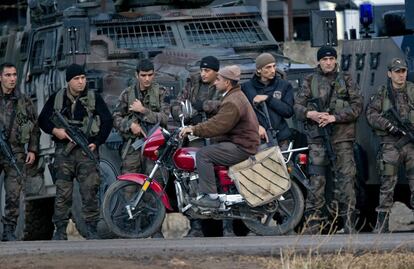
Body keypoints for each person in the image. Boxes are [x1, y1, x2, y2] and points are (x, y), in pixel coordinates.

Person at [38, 63, 112, 240]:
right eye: (76, 79)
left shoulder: (93, 97)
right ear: (69, 81)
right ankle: (61, 230)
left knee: (90, 191)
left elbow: (107, 120)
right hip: (64, 153)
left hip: (87, 152)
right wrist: (56, 131)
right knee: (63, 193)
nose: (81, 82)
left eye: (83, 78)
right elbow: (42, 119)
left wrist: (97, 142)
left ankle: (91, 228)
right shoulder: (57, 98)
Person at [294, 46, 363, 234]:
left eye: (332, 59)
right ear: (319, 61)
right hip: (317, 139)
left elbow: (358, 107)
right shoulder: (310, 80)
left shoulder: (346, 79)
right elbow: (297, 107)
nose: (329, 62)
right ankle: (315, 223)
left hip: (342, 139)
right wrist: (311, 114)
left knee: (346, 181)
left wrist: (334, 117)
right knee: (317, 181)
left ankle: (348, 222)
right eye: (324, 59)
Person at [179, 65, 260, 208]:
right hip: (240, 142)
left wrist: (193, 129)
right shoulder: (233, 96)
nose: (215, 82)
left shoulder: (232, 102)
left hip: (242, 146)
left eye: (218, 79)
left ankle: (212, 197)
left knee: (203, 155)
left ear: (227, 82)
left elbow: (217, 125)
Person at [171, 56, 228, 237]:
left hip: (218, 137)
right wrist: (184, 113)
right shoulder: (192, 83)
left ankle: (228, 227)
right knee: (191, 181)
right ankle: (196, 227)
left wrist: (201, 106)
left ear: (216, 72)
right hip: (196, 137)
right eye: (202, 70)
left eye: (207, 71)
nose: (203, 74)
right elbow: (176, 105)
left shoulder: (222, 83)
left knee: (222, 183)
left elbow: (225, 105)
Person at [366, 58, 414, 233]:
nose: (401, 75)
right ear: (389, 74)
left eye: (403, 71)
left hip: (411, 145)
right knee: (387, 184)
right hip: (390, 144)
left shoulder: (412, 90)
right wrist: (388, 126)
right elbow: (371, 114)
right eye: (397, 72)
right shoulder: (383, 93)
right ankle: (382, 224)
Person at [0, 62, 40, 241]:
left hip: (15, 151)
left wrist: (32, 149)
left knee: (14, 193)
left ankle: (9, 230)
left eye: (14, 75)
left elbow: (35, 127)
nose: (12, 79)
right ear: (0, 77)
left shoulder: (24, 101)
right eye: (7, 75)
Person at [113, 59, 169, 175]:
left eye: (150, 75)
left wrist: (143, 110)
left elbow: (164, 118)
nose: (147, 79)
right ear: (137, 75)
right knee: (129, 183)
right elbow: (115, 118)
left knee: (154, 183)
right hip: (133, 145)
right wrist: (130, 125)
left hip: (155, 145)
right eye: (143, 75)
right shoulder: (127, 94)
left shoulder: (161, 92)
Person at [242, 52, 294, 148]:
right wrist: (256, 126)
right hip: (257, 139)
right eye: (268, 67)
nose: (273, 70)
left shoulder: (284, 85)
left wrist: (268, 98)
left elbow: (288, 111)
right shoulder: (247, 87)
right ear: (259, 70)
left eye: (274, 66)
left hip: (281, 138)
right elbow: (243, 114)